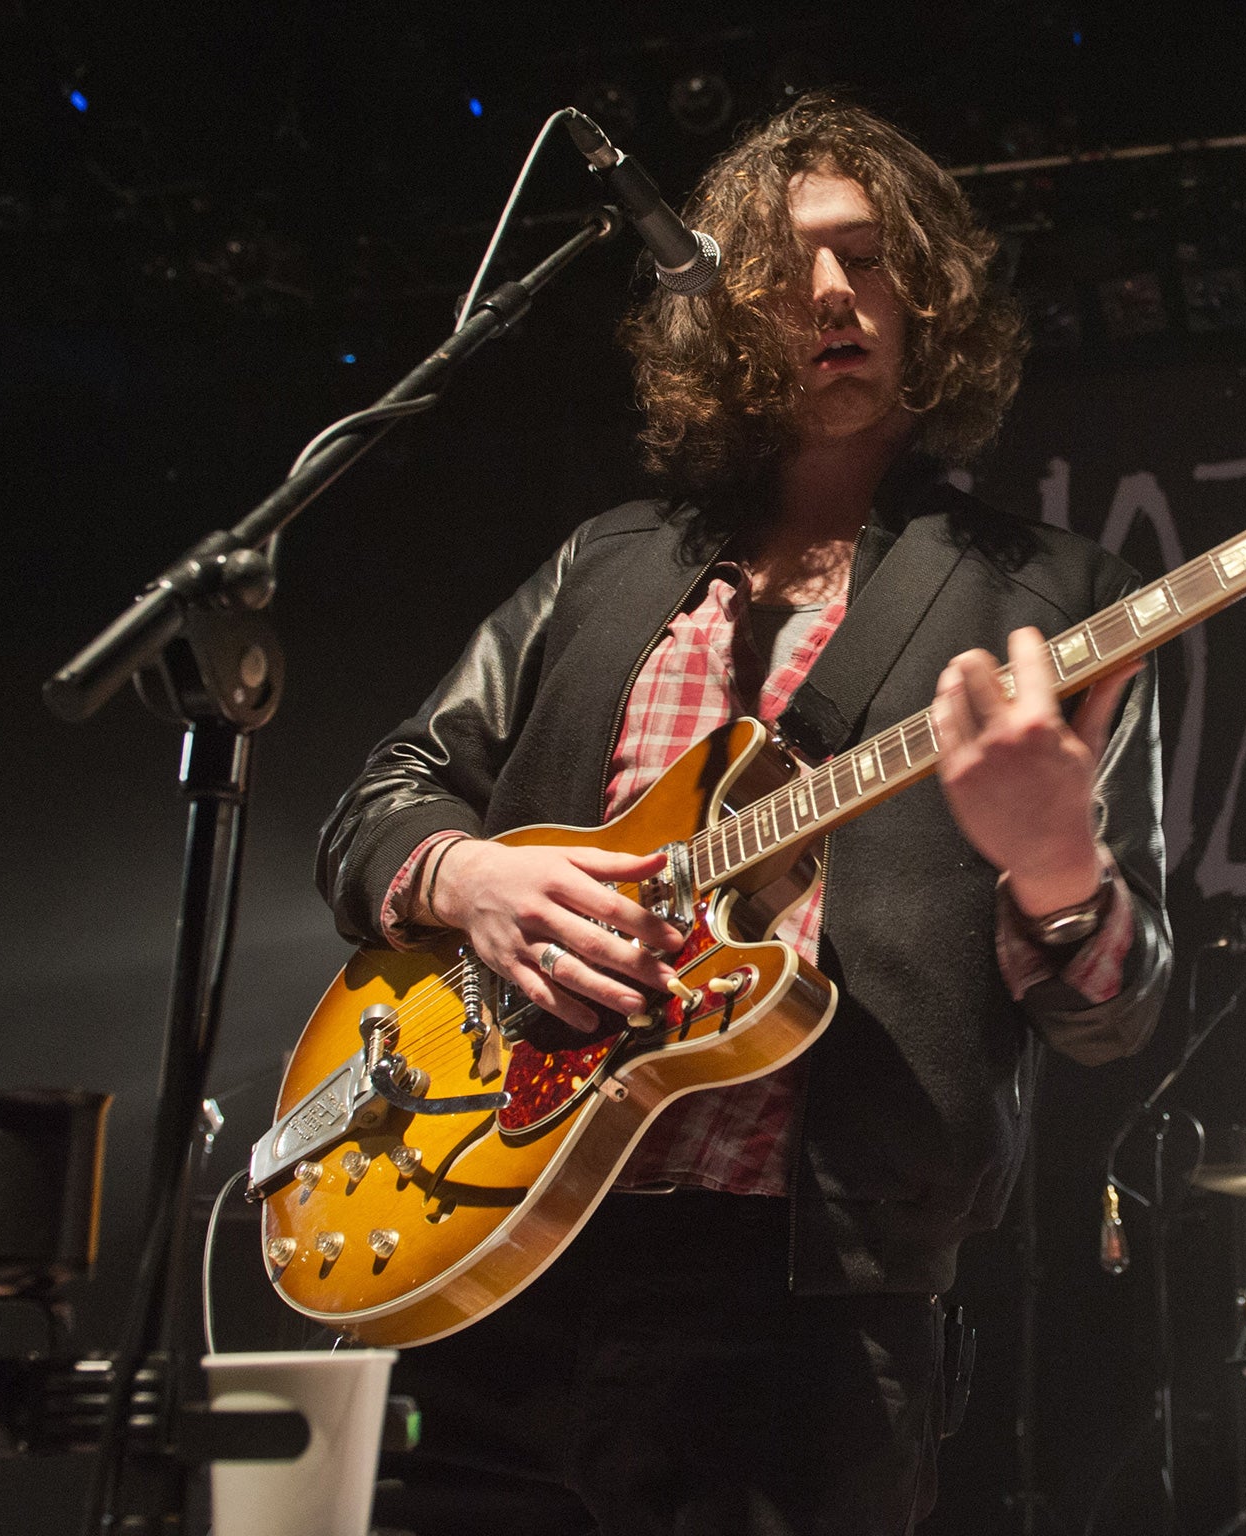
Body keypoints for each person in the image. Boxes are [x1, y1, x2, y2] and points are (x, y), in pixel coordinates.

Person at [317, 95, 1171, 1535]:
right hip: (498, 1240)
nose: (831, 296)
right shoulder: (607, 563)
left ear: (929, 297)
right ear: (722, 312)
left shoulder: (1050, 601)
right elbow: (379, 803)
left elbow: (1117, 1017)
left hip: (808, 1306)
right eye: (785, 269)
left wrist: (1057, 866)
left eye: (869, 259)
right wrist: (471, 883)